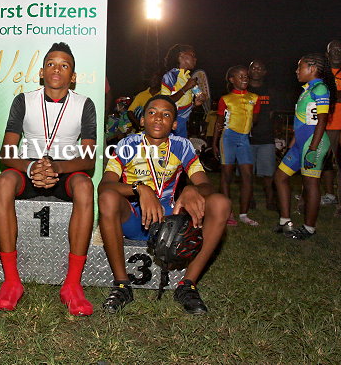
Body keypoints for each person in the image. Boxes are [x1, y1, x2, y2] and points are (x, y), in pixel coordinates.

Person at [98, 95, 229, 314]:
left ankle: (187, 285)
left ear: (174, 124)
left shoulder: (182, 146)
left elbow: (206, 185)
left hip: (169, 220)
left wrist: (192, 189)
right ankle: (122, 285)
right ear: (142, 120)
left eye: (166, 114)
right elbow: (105, 186)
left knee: (220, 203)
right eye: (152, 112)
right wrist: (140, 189)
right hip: (134, 218)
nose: (158, 118)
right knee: (107, 198)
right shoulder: (128, 144)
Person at [0, 42, 96, 316]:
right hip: (29, 168)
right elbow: (6, 153)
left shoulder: (84, 104)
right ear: (41, 72)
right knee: (3, 181)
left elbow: (88, 159)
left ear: (73, 76)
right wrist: (31, 168)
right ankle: (11, 281)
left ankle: (72, 284)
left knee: (85, 185)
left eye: (64, 65)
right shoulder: (23, 100)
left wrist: (57, 168)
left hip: (65, 169)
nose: (56, 69)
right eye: (51, 63)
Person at [274, 54, 336, 239]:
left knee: (310, 183)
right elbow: (303, 120)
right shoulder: (307, 89)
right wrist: (292, 143)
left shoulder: (320, 88)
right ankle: (285, 221)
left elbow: (322, 120)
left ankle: (309, 228)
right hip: (301, 143)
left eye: (299, 67)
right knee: (280, 177)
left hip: (314, 142)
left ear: (312, 68)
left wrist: (313, 148)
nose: (296, 71)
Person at [212, 66, 261, 226]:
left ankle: (244, 214)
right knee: (226, 176)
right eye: (240, 76)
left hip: (244, 139)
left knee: (247, 175)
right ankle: (228, 213)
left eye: (246, 76)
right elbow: (219, 122)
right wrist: (215, 143)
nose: (244, 78)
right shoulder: (226, 99)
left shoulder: (255, 98)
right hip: (228, 138)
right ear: (232, 80)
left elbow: (254, 119)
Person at [320, 40, 341, 215]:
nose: (337, 53)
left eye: (340, 50)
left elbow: (329, 96)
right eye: (333, 50)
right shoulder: (321, 74)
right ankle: (306, 204)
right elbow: (321, 96)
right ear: (327, 54)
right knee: (314, 166)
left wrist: (333, 95)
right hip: (323, 126)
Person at [247, 60, 279, 211]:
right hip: (246, 139)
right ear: (249, 71)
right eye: (253, 67)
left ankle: (270, 200)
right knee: (248, 173)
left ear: (265, 72)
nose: (256, 70)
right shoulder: (244, 90)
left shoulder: (270, 91)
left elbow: (273, 113)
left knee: (268, 173)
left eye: (260, 68)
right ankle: (250, 199)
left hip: (266, 138)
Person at [160, 44, 206, 138]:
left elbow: (182, 105)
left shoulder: (188, 78)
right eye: (192, 55)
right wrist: (186, 87)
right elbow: (165, 101)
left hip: (183, 124)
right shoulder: (171, 76)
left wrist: (195, 104)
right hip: (171, 122)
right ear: (181, 55)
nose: (195, 59)